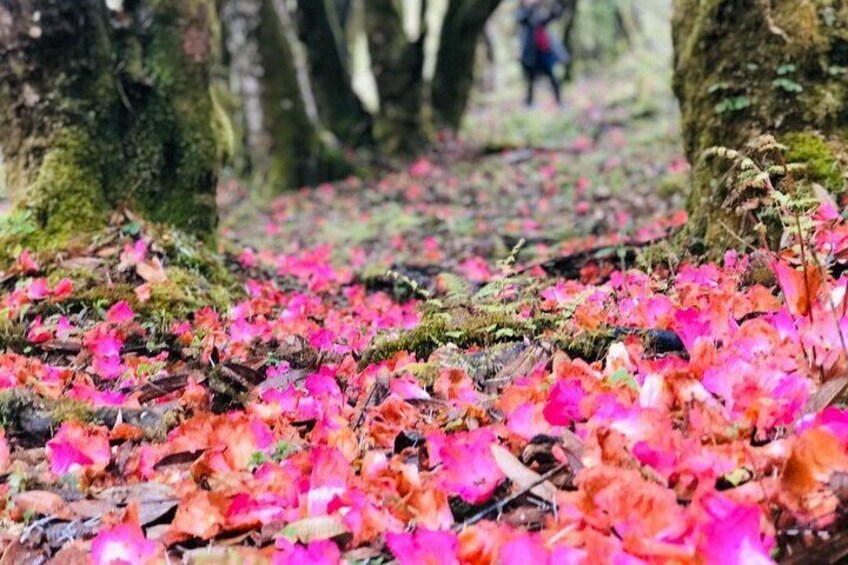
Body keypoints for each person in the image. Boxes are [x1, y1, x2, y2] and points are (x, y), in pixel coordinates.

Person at [517, 0, 567, 107]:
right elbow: (522, 19)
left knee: (552, 77)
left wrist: (555, 5)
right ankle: (529, 103)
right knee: (531, 80)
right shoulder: (525, 18)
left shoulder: (540, 19)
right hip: (531, 55)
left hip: (543, 53)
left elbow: (553, 16)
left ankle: (559, 102)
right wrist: (532, 6)